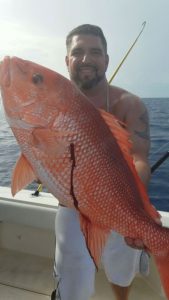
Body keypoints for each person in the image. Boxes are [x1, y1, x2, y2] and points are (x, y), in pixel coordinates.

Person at [51, 24, 157, 300]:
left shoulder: (129, 104)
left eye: (95, 52)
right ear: (67, 60)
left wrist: (135, 208)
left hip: (121, 204)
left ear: (106, 60)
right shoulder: (51, 108)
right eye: (78, 52)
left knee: (121, 271)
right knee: (73, 280)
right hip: (72, 208)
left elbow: (140, 159)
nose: (86, 59)